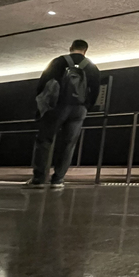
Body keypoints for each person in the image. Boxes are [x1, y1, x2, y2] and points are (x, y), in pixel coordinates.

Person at [24, 40, 101, 190]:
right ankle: (58, 179)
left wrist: (42, 104)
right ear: (86, 50)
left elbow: (43, 83)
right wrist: (86, 107)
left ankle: (39, 179)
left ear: (71, 48)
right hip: (79, 109)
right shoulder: (92, 67)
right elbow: (95, 90)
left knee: (45, 140)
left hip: (56, 106)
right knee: (68, 144)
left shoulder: (58, 61)